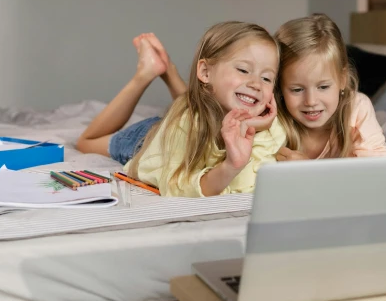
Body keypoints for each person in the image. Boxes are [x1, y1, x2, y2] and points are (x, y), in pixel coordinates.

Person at [76, 23, 284, 197]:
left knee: (198, 107)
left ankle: (168, 71)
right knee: (86, 142)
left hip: (196, 118)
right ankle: (146, 74)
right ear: (205, 71)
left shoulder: (269, 125)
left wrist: (254, 129)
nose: (256, 84)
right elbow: (176, 185)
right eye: (243, 70)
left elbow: (248, 184)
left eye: (267, 78)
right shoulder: (183, 125)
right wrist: (229, 166)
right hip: (150, 138)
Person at [273, 14, 386, 161]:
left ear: (342, 79)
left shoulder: (356, 109)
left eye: (323, 87)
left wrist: (308, 170)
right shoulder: (272, 117)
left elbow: (379, 169)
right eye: (297, 90)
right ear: (279, 86)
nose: (311, 101)